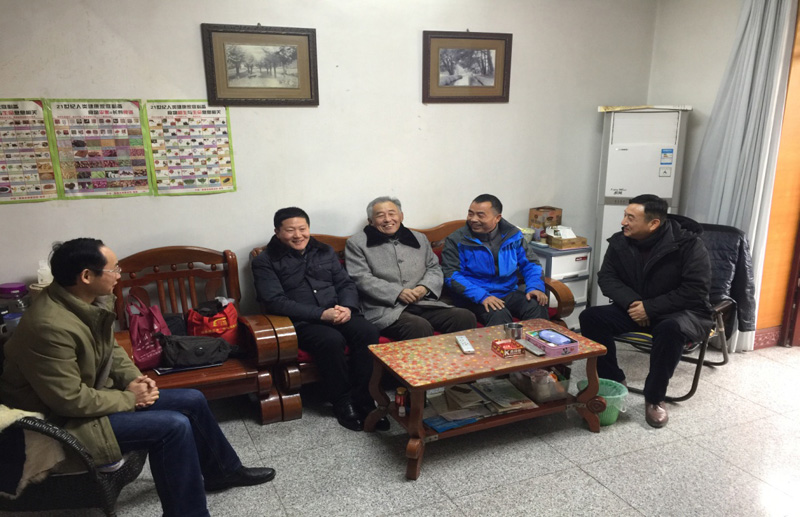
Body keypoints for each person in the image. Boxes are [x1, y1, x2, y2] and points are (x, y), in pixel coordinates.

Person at [0, 238, 274, 517]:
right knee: (173, 426)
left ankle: (223, 471)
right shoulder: (49, 326)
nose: (118, 276)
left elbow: (111, 350)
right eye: (114, 270)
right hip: (57, 420)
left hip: (90, 400)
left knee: (192, 399)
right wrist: (131, 399)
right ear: (86, 276)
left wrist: (133, 379)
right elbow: (68, 401)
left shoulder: (85, 302)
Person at [579, 194, 713, 428]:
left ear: (653, 224)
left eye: (630, 218)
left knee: (670, 329)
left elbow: (695, 290)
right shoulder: (620, 241)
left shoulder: (688, 244)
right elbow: (607, 278)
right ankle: (613, 379)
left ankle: (655, 398)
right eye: (624, 215)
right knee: (591, 317)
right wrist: (635, 304)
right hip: (636, 307)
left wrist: (650, 309)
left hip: (679, 312)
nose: (623, 222)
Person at [252, 207, 387, 432]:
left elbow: (345, 283)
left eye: (302, 229)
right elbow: (274, 301)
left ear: (309, 228)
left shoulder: (324, 251)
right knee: (331, 340)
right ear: (277, 232)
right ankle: (342, 401)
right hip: (302, 321)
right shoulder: (265, 261)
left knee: (368, 331)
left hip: (338, 312)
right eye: (290, 230)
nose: (298, 235)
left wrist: (347, 307)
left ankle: (364, 397)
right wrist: (320, 314)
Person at [345, 196, 476, 340]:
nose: (387, 219)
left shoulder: (419, 238)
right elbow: (361, 278)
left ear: (401, 216)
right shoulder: (357, 243)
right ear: (370, 221)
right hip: (386, 309)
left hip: (423, 303)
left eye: (392, 213)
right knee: (417, 326)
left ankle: (456, 356)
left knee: (464, 317)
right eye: (380, 215)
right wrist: (397, 293)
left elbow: (434, 267)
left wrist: (425, 287)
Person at [441, 194, 549, 327]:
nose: (473, 219)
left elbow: (531, 264)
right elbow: (451, 275)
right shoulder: (457, 240)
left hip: (508, 291)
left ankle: (536, 340)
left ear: (497, 218)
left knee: (536, 304)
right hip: (473, 296)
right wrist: (482, 296)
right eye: (470, 214)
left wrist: (535, 287)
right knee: (498, 313)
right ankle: (504, 342)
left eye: (480, 215)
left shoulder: (512, 235)